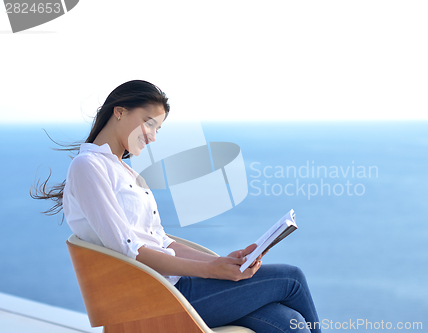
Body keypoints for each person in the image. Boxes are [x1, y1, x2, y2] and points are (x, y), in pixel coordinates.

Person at [32, 80, 322, 333]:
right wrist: (212, 272)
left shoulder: (125, 171)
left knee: (287, 322)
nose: (153, 136)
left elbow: (161, 241)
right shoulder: (88, 166)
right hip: (158, 296)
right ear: (118, 111)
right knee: (291, 278)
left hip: (177, 287)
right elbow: (130, 250)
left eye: (157, 128)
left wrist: (222, 262)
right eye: (148, 123)